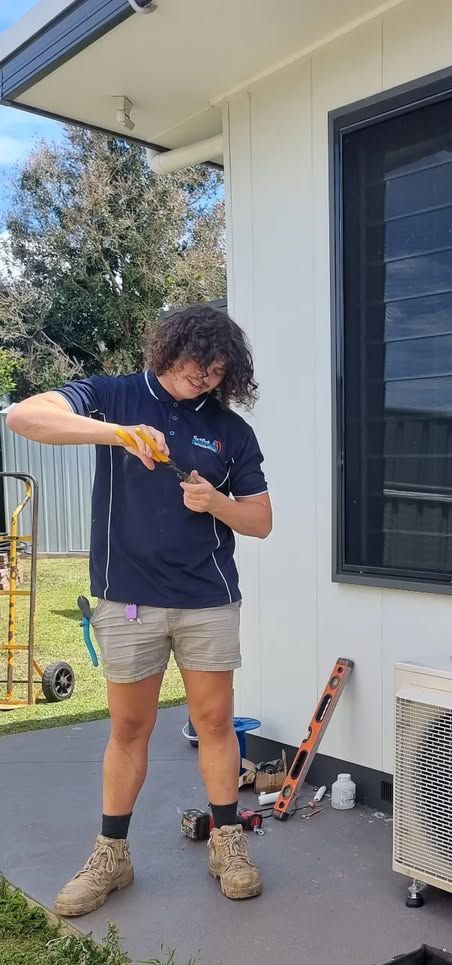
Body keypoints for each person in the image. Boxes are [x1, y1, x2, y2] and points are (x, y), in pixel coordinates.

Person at [6, 304, 272, 915]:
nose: (201, 378)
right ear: (168, 348)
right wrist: (116, 433)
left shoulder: (232, 432)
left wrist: (216, 503)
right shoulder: (113, 396)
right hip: (128, 600)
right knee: (129, 729)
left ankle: (227, 840)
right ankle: (112, 854)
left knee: (214, 723)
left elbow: (260, 520)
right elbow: (25, 417)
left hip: (207, 599)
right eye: (193, 365)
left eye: (215, 372)